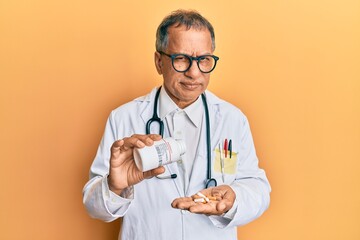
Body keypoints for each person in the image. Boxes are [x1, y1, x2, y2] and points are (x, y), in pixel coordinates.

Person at [83, 9, 271, 240]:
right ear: (159, 62)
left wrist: (234, 197)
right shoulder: (124, 118)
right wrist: (114, 187)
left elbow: (258, 188)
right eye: (181, 59)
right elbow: (94, 208)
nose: (194, 73)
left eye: (204, 60)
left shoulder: (232, 119)